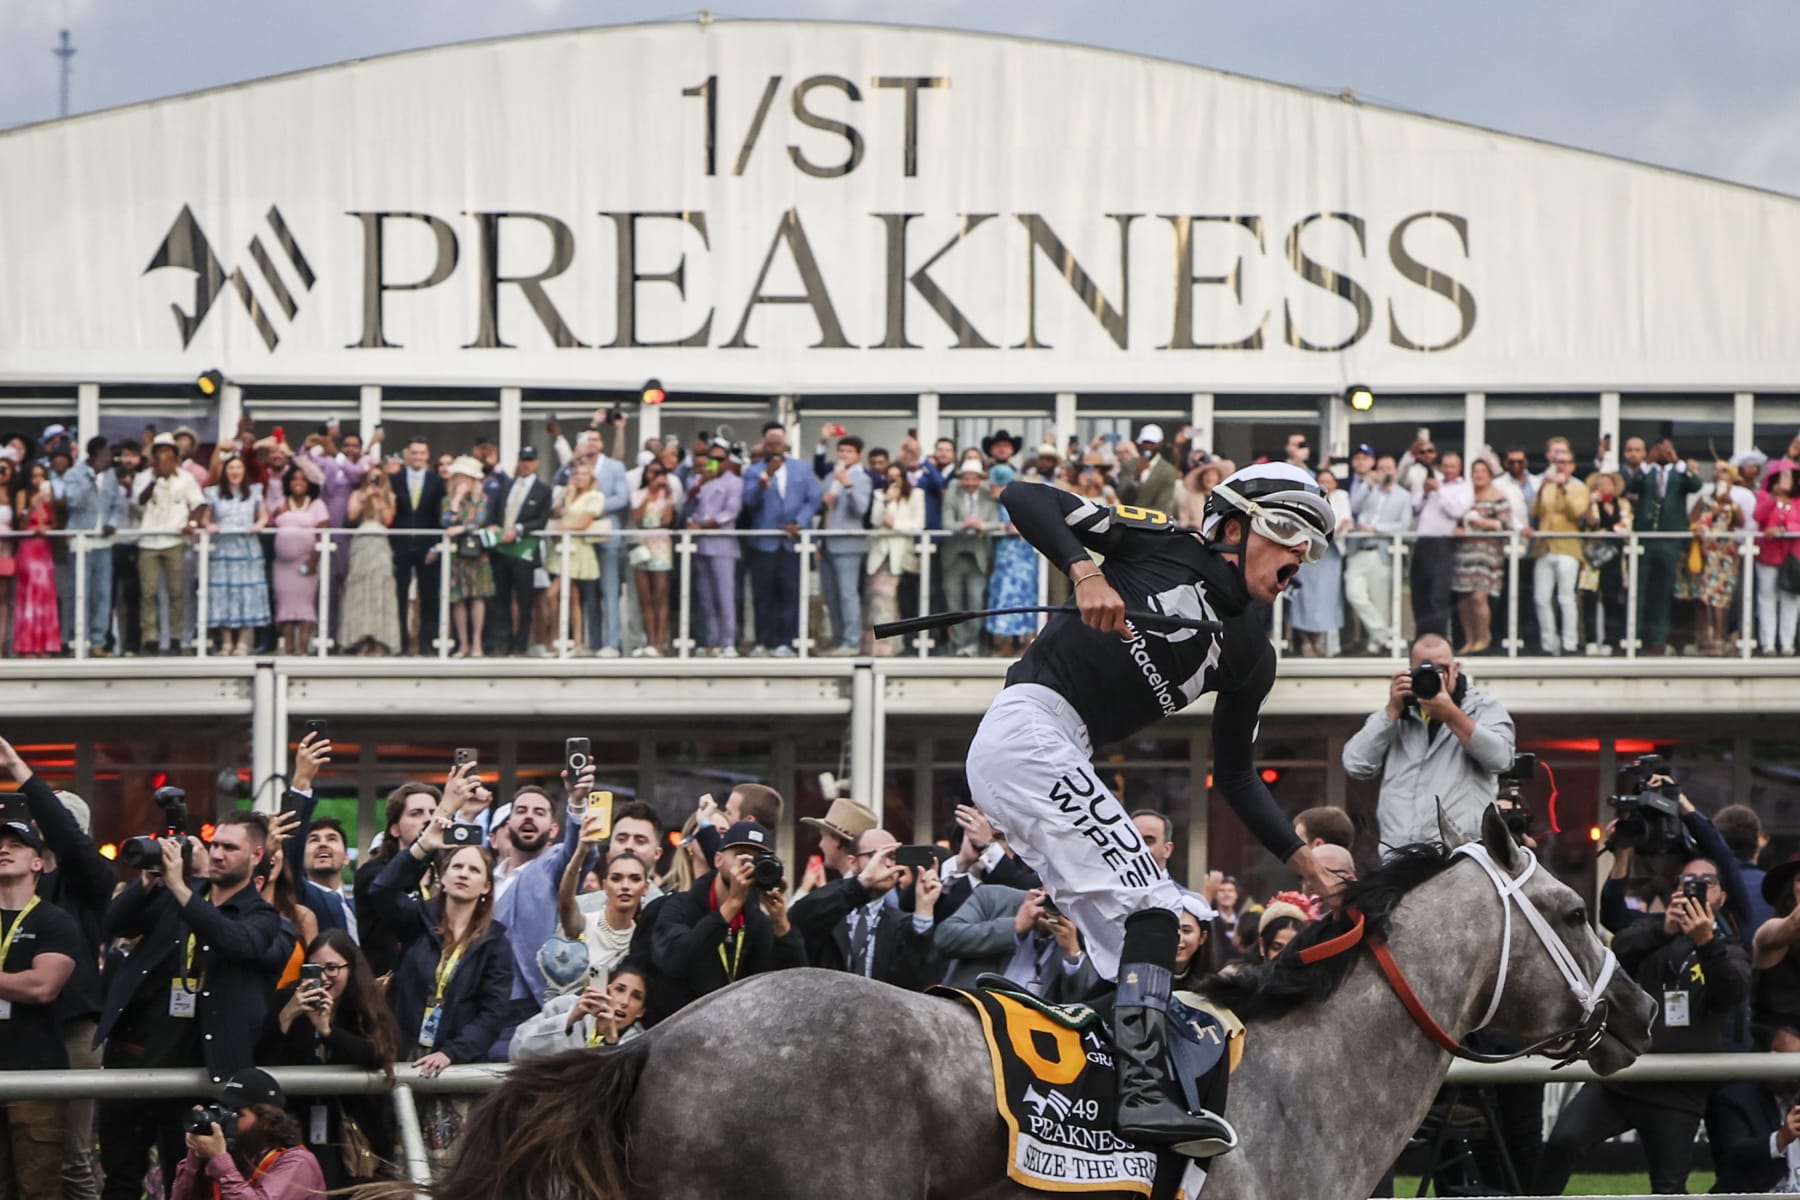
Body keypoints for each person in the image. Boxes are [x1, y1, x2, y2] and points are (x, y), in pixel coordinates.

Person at [966, 461, 1336, 1157]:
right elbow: (1023, 495)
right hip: (1029, 729)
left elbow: (1235, 774)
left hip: (1052, 751)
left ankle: (1076, 1078)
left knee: (1136, 937)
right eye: (1287, 531)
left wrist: (1300, 858)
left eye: (1309, 545)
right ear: (1230, 526)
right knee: (1156, 908)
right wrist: (1085, 572)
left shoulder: (1253, 653)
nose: (1299, 556)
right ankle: (1142, 1097)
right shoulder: (1167, 543)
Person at [96, 812, 291, 1200]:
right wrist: (149, 880)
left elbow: (238, 942)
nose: (217, 854)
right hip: (132, 1060)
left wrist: (181, 890)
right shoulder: (177, 894)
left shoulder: (262, 915)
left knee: (184, 1182)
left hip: (196, 1074)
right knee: (118, 1180)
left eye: (229, 847)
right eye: (214, 845)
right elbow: (114, 923)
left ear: (256, 855)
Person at [1535, 863, 1750, 1195]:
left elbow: (1732, 991)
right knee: (1563, 1141)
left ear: (1721, 895)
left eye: (1705, 883)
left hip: (1678, 1092)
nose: (1693, 887)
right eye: (1686, 880)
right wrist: (1664, 929)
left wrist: (1705, 942)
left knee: (1668, 1186)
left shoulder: (1729, 947)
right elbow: (1619, 949)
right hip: (1621, 1079)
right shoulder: (1651, 930)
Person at [367, 778, 516, 1167]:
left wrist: (452, 1052)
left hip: (457, 1066)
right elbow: (381, 891)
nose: (464, 874)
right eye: (457, 866)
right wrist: (423, 847)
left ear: (487, 885)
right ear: (444, 877)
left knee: (455, 1173)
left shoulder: (496, 942)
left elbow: (493, 1012)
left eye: (474, 869)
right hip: (406, 1056)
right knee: (402, 1169)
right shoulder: (418, 920)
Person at [0, 739, 110, 1198]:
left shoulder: (86, 879)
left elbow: (67, 838)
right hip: (19, 1031)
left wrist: (18, 770)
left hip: (71, 1026)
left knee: (72, 1155)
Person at [1342, 633, 1516, 857]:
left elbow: (1502, 760)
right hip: (1400, 857)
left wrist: (1452, 716)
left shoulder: (1483, 708)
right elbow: (1356, 765)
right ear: (1409, 673)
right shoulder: (1397, 713)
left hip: (1460, 857)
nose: (1434, 677)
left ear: (1456, 668)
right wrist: (1391, 711)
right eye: (1425, 670)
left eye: (1441, 668)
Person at [258, 931, 398, 1186]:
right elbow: (264, 1060)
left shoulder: (363, 1004)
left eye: (332, 968)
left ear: (350, 968)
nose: (323, 977)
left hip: (352, 1128)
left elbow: (376, 1054)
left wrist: (328, 1031)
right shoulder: (285, 1000)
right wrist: (287, 1016)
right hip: (297, 1123)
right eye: (314, 968)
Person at [0, 817, 85, 1200]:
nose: (3, 850)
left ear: (38, 862)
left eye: (16, 845)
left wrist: (22, 984)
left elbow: (42, 987)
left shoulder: (55, 920)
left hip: (35, 1074)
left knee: (38, 1191)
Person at [650, 820, 805, 1012]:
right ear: (718, 860)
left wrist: (781, 924)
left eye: (757, 860)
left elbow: (792, 984)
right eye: (741, 856)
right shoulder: (681, 905)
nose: (748, 867)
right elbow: (675, 961)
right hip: (684, 1028)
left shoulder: (759, 922)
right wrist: (731, 905)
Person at [787, 836, 938, 989]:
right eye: (875, 856)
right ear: (853, 862)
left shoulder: (899, 922)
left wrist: (924, 910)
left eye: (893, 857)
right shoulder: (832, 909)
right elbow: (797, 918)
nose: (886, 864)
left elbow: (915, 979)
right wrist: (861, 883)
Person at [169, 1070, 325, 1200]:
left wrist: (221, 1161)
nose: (228, 1122)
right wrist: (196, 1155)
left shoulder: (298, 1162)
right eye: (225, 1111)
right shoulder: (240, 1155)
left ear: (267, 1120)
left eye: (237, 1114)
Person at [934, 882, 1099, 999]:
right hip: (968, 1012)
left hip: (1024, 1032)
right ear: (1043, 886)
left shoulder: (1084, 933)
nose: (1054, 910)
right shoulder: (992, 898)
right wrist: (1014, 926)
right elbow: (944, 938)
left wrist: (1072, 954)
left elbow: (1088, 1003)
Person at [352, 782, 442, 978]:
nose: (427, 820)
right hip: (389, 989)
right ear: (394, 829)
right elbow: (389, 888)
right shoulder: (373, 873)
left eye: (432, 813)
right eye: (416, 813)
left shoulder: (445, 873)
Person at [741, 446, 822, 657]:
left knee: (790, 592)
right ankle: (762, 642)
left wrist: (799, 522)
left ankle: (788, 642)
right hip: (764, 543)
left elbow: (814, 498)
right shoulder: (754, 471)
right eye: (771, 444)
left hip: (792, 541)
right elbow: (749, 501)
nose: (775, 449)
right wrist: (764, 479)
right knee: (763, 594)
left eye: (779, 445)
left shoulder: (802, 469)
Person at [1625, 439, 1702, 655]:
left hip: (1669, 540)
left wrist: (1676, 461)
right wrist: (1646, 463)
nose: (1662, 454)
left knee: (1663, 591)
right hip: (1645, 539)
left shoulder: (1679, 473)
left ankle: (1658, 639)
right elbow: (1631, 487)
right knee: (1639, 591)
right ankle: (1635, 637)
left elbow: (1696, 485)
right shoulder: (1646, 472)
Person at [134, 433, 208, 655]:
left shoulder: (186, 478)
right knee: (148, 593)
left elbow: (199, 503)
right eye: (160, 452)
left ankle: (176, 637)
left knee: (177, 592)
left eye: (168, 452)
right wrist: (155, 479)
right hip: (149, 540)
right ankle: (150, 638)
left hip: (174, 540)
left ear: (175, 456)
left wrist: (191, 522)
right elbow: (138, 502)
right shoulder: (144, 477)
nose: (164, 456)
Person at [1709, 1024, 1800, 1194]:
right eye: (1788, 1065)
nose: (1794, 1079)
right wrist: (1780, 1138)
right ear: (1768, 1059)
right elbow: (1735, 1154)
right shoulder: (1736, 1099)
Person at [202, 452, 271, 656]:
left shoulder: (254, 491)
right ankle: (226, 641)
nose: (235, 472)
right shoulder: (214, 493)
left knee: (247, 593)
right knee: (225, 593)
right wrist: (210, 526)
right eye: (231, 468)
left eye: (239, 468)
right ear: (225, 471)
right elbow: (206, 518)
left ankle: (243, 641)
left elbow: (263, 515)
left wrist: (258, 525)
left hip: (247, 547)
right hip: (224, 548)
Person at [63, 436, 127, 654]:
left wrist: (112, 523)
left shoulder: (110, 476)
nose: (110, 456)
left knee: (102, 594)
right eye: (107, 452)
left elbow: (118, 505)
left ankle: (97, 641)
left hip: (103, 543)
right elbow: (72, 501)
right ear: (96, 454)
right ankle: (77, 639)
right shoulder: (75, 474)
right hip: (81, 542)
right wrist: (90, 479)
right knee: (80, 592)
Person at [509, 961, 650, 1059]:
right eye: (619, 989)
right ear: (606, 991)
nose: (625, 1002)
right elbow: (517, 1050)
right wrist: (570, 1019)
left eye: (636, 997)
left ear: (641, 1011)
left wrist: (611, 1041)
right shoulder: (565, 1006)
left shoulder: (640, 1044)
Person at [1344, 454, 1412, 656]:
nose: (1385, 472)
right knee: (1354, 593)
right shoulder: (1368, 489)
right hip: (1358, 550)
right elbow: (1353, 508)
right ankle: (1383, 633)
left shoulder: (1403, 496)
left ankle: (1375, 645)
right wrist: (1368, 486)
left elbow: (1404, 525)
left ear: (1396, 471)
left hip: (1381, 551)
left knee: (1379, 600)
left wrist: (1376, 528)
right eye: (1381, 468)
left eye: (1389, 468)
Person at [1528, 439, 1591, 656]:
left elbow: (1577, 513)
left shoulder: (1580, 487)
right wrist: (1545, 485)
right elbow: (1535, 511)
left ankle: (1570, 644)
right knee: (1541, 598)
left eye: (1565, 462)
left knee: (1566, 598)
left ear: (1573, 465)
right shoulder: (1547, 485)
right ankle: (1548, 644)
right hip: (1545, 547)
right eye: (1557, 461)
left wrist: (1563, 486)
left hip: (1568, 547)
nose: (1561, 466)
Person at [391, 437, 447, 655]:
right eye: (414, 453)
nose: (417, 457)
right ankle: (402, 642)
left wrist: (436, 545)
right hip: (401, 545)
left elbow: (439, 516)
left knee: (429, 595)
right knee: (400, 594)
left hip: (427, 546)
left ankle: (427, 642)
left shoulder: (436, 481)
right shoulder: (395, 479)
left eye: (421, 453)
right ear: (407, 455)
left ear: (427, 455)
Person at [689, 442, 745, 657]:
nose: (715, 463)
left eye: (720, 459)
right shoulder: (700, 480)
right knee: (705, 596)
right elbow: (689, 507)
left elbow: (731, 511)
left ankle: (728, 640)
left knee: (725, 595)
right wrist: (699, 485)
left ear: (728, 461)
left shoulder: (735, 482)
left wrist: (703, 525)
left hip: (723, 543)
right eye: (712, 458)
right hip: (701, 544)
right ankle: (711, 640)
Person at [818, 436, 872, 655]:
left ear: (858, 454)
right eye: (841, 450)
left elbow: (861, 508)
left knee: (847, 594)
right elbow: (820, 504)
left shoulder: (862, 478)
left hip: (849, 543)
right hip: (826, 541)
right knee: (830, 595)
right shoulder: (830, 475)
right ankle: (838, 638)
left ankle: (851, 641)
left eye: (849, 451)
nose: (843, 455)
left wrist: (847, 485)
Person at [1288, 467, 1351, 657]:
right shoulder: (1307, 498)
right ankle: (1306, 643)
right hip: (1308, 553)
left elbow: (1346, 521)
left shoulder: (1341, 497)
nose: (1325, 484)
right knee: (1304, 598)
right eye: (1321, 481)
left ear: (1335, 484)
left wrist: (1337, 529)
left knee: (1326, 598)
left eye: (1329, 481)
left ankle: (1318, 643)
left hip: (1330, 554)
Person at [1453, 457, 1513, 656]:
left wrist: (1484, 523)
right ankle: (1469, 639)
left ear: (1489, 475)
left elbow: (1507, 525)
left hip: (1487, 554)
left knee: (1479, 596)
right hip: (1464, 552)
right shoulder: (1465, 497)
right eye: (1475, 471)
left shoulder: (1499, 497)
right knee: (1464, 597)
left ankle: (1483, 637)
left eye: (1482, 471)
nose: (1478, 475)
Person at [940, 463, 1000, 657]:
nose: (970, 482)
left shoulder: (986, 495)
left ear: (980, 479)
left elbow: (996, 522)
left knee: (976, 599)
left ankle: (972, 642)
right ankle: (958, 643)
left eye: (974, 478)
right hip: (954, 554)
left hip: (978, 555)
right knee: (953, 601)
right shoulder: (952, 493)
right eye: (966, 478)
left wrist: (981, 525)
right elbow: (947, 522)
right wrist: (963, 524)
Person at [865, 463, 925, 656]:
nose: (893, 481)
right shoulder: (879, 495)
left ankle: (899, 645)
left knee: (900, 601)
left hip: (903, 555)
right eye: (889, 478)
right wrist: (886, 502)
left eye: (897, 477)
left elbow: (918, 524)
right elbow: (875, 521)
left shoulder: (916, 495)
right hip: (880, 553)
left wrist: (896, 524)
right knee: (879, 599)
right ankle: (880, 646)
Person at [340, 467, 401, 655]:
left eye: (378, 476)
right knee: (360, 589)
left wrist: (380, 500)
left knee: (380, 589)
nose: (375, 480)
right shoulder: (357, 494)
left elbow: (388, 519)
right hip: (362, 541)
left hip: (380, 542)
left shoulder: (390, 496)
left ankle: (380, 639)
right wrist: (365, 497)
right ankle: (361, 639)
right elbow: (351, 516)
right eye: (371, 476)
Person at [1411, 451, 1472, 638]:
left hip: (1443, 542)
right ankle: (1421, 637)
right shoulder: (1433, 483)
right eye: (1445, 466)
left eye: (1452, 467)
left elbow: (1456, 511)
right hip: (1423, 541)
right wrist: (1425, 493)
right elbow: (1414, 509)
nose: (1448, 470)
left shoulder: (1464, 488)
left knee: (1438, 594)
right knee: (1419, 592)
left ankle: (1438, 638)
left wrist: (1439, 491)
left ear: (1459, 468)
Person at [270, 466, 329, 655]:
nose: (298, 483)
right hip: (283, 565)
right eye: (294, 479)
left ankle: (302, 647)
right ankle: (289, 646)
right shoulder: (281, 503)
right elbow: (270, 523)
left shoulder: (316, 504)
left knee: (304, 605)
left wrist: (313, 561)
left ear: (309, 483)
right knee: (285, 604)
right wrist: (278, 513)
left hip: (306, 563)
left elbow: (322, 534)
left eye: (302, 479)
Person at [440, 456, 494, 658]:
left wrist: (462, 527)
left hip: (476, 554)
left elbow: (480, 521)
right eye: (458, 477)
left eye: (466, 478)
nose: (461, 481)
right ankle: (462, 643)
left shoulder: (481, 500)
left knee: (477, 596)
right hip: (456, 555)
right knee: (458, 598)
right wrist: (455, 501)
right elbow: (445, 522)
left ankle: (477, 642)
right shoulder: (447, 501)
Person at [983, 464, 1039, 656]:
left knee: (1018, 597)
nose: (991, 489)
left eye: (994, 485)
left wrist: (1010, 527)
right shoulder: (996, 504)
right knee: (1001, 596)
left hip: (1020, 557)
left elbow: (1028, 523)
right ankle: (1004, 640)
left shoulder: (1016, 501)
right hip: (1003, 556)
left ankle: (1021, 641)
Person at [11, 463, 62, 657]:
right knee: (30, 593)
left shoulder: (50, 496)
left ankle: (43, 645)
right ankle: (26, 646)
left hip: (44, 548)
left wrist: (48, 527)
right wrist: (33, 505)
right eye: (34, 476)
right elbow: (21, 523)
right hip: (28, 547)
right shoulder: (23, 494)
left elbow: (54, 522)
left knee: (45, 594)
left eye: (41, 476)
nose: (37, 480)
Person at [626, 460, 676, 657]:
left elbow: (667, 520)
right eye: (653, 473)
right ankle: (649, 639)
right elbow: (636, 517)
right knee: (645, 596)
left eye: (660, 473)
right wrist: (649, 494)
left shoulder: (667, 496)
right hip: (642, 542)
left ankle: (659, 641)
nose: (656, 477)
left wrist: (667, 495)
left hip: (660, 544)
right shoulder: (638, 494)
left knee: (660, 594)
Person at [1579, 470, 1632, 652]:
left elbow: (1626, 526)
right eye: (1600, 484)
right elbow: (1590, 524)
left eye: (1608, 484)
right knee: (1590, 597)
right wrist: (1590, 504)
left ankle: (1612, 640)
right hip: (1594, 556)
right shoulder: (1592, 504)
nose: (1605, 487)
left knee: (1612, 597)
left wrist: (1607, 530)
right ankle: (1591, 640)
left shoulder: (1622, 504)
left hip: (1615, 556)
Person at [1754, 462, 1800, 655]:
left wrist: (1783, 528)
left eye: (1789, 477)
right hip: (1769, 555)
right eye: (1782, 476)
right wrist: (1774, 498)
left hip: (1793, 556)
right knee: (1767, 599)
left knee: (1791, 598)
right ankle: (1768, 644)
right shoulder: (1765, 496)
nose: (1785, 481)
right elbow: (1759, 516)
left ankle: (1787, 643)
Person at [1116, 425, 1177, 516]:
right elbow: (1122, 496)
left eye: (1152, 443)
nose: (1148, 446)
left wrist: (1139, 515)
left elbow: (1162, 504)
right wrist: (1137, 476)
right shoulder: (1129, 465)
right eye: (1145, 443)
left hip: (1152, 519)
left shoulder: (1167, 470)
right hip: (1127, 517)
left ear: (1160, 444)